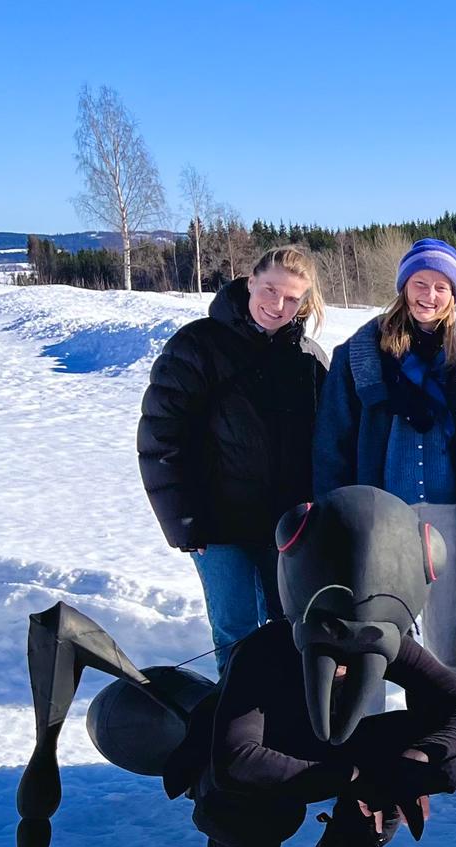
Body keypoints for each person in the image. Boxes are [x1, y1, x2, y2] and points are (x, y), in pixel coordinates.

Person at [189, 487, 456, 847]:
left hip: (336, 751)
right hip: (269, 757)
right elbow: (236, 756)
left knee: (450, 759)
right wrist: (349, 777)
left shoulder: (385, 638)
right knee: (237, 790)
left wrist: (414, 761)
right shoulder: (263, 652)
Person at [138, 246, 328, 674]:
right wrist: (182, 520)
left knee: (291, 629)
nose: (278, 305)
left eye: (293, 298)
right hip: (217, 525)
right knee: (237, 633)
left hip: (287, 527)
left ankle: (287, 728)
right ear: (250, 281)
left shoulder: (308, 358)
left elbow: (325, 443)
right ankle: (236, 732)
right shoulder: (198, 345)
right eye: (271, 289)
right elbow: (160, 437)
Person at [312, 238, 456, 671]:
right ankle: (368, 733)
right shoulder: (360, 355)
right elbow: (333, 442)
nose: (430, 295)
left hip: (448, 514)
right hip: (382, 516)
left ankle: (444, 736)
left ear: (454, 295)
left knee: (444, 643)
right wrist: (334, 518)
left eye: (442, 287)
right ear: (403, 287)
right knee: (373, 636)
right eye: (420, 283)